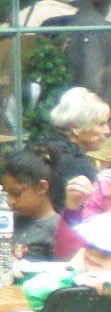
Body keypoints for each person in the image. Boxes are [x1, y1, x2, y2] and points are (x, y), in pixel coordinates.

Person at [44, 86, 109, 221]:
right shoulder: (76, 164)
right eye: (100, 124)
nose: (107, 131)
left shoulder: (45, 145)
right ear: (75, 127)